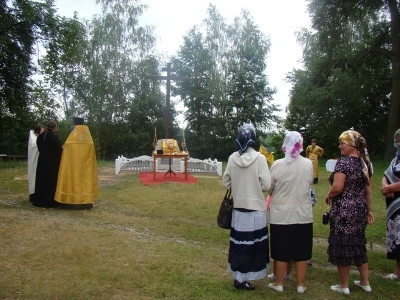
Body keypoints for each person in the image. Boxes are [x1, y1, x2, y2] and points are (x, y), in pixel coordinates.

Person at [222, 121, 271, 290]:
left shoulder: (232, 158)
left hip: (239, 208)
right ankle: (247, 276)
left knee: (239, 244)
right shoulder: (260, 158)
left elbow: (226, 182)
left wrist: (239, 184)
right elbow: (267, 185)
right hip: (256, 208)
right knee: (253, 245)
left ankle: (239, 277)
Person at [325, 130, 374, 294]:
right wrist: (369, 210)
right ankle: (364, 282)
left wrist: (329, 194)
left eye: (342, 143)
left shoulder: (344, 162)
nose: (339, 146)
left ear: (351, 145)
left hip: (344, 209)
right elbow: (368, 191)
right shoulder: (364, 163)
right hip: (360, 208)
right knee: (358, 243)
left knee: (342, 245)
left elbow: (338, 187)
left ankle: (344, 285)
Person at [267, 131, 313, 294]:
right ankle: (301, 284)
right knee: (301, 251)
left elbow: (269, 187)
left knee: (281, 250)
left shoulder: (277, 165)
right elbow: (309, 183)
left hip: (281, 215)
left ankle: (279, 282)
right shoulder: (308, 163)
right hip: (303, 214)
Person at [267, 186, 317, 281]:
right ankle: (285, 276)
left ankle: (279, 277)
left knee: (280, 249)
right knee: (289, 248)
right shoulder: (306, 175)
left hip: (284, 216)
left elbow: (270, 189)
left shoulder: (280, 175)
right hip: (299, 217)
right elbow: (312, 198)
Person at [55, 117, 99, 209]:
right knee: (84, 182)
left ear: (75, 124)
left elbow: (66, 150)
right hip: (86, 167)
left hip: (73, 166)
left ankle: (71, 202)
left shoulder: (72, 137)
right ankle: (86, 202)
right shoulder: (88, 138)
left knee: (73, 181)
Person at [380, 128, 400, 281]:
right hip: (393, 204)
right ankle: (398, 271)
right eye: (397, 140)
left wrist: (390, 188)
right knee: (396, 237)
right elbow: (386, 174)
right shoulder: (396, 159)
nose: (398, 143)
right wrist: (385, 186)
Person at [33, 121, 63, 208]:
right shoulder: (54, 138)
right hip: (52, 164)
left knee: (41, 180)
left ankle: (39, 200)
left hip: (42, 162)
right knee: (50, 182)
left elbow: (40, 148)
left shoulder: (40, 137)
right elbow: (59, 150)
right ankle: (49, 201)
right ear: (54, 128)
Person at [27, 124, 44, 202]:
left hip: (36, 162)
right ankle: (33, 195)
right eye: (42, 130)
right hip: (34, 163)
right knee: (33, 177)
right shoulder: (34, 140)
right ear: (39, 131)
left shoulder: (35, 139)